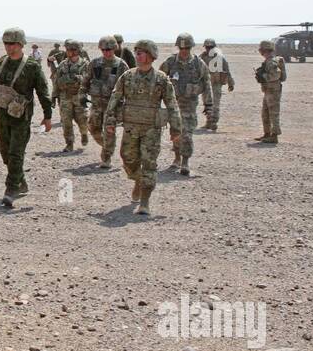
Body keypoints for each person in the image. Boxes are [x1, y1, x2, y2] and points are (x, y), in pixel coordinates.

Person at [0, 28, 52, 207]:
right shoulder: (1, 63)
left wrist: (47, 116)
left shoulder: (31, 66)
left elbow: (43, 91)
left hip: (21, 117)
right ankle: (20, 180)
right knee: (5, 153)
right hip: (2, 114)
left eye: (12, 43)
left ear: (21, 44)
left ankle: (11, 189)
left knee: (16, 152)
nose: (8, 47)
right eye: (6, 43)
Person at [104, 39, 181, 215]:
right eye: (136, 52)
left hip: (151, 130)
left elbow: (172, 105)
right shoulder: (128, 76)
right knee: (127, 159)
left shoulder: (161, 79)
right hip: (130, 127)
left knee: (149, 163)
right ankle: (138, 180)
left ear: (151, 56)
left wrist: (176, 130)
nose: (137, 55)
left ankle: (145, 201)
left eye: (141, 52)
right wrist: (109, 122)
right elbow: (114, 100)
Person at [159, 33, 214, 175]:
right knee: (176, 134)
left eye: (187, 48)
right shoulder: (170, 62)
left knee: (187, 135)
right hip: (174, 106)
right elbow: (159, 80)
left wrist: (208, 105)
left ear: (191, 48)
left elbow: (207, 84)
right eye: (181, 48)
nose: (184, 51)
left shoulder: (198, 64)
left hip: (189, 106)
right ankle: (176, 159)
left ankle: (185, 162)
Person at [82, 36, 128, 168]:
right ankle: (108, 146)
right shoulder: (95, 63)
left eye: (109, 49)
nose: (106, 52)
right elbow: (86, 80)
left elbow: (127, 85)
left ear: (114, 48)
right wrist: (82, 94)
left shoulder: (121, 65)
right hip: (96, 104)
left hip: (112, 106)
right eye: (103, 49)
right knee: (92, 128)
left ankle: (106, 158)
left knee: (109, 130)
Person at [52, 39, 89, 152]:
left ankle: (84, 134)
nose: (68, 52)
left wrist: (77, 79)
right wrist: (54, 97)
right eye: (67, 49)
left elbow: (88, 80)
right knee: (66, 121)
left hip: (79, 97)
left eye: (71, 49)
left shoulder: (85, 64)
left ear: (77, 51)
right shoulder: (63, 64)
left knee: (82, 120)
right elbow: (56, 81)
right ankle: (69, 143)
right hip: (65, 97)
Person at [254, 39, 286, 143]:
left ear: (265, 50)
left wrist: (262, 76)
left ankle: (274, 135)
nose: (260, 52)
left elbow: (276, 75)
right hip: (269, 90)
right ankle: (267, 134)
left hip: (273, 91)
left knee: (273, 114)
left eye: (261, 50)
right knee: (265, 113)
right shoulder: (270, 60)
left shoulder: (272, 61)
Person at [200, 38, 234, 130]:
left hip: (216, 83)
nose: (208, 49)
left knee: (215, 103)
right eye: (207, 47)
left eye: (209, 47)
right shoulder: (202, 57)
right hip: (206, 84)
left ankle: (213, 122)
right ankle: (209, 121)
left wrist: (231, 83)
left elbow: (226, 69)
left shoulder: (219, 57)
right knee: (207, 103)